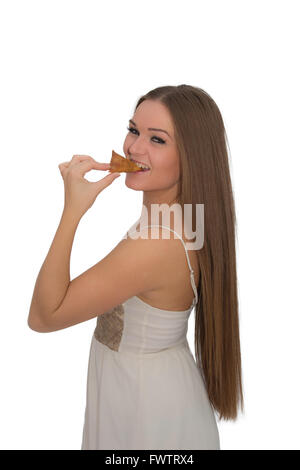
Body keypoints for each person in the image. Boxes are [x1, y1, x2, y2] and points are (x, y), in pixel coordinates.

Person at [27, 84, 244, 450]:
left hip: (146, 412)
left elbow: (44, 316)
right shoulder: (182, 218)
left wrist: (72, 211)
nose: (133, 148)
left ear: (192, 155)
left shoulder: (155, 243)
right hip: (149, 393)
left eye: (157, 140)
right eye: (133, 130)